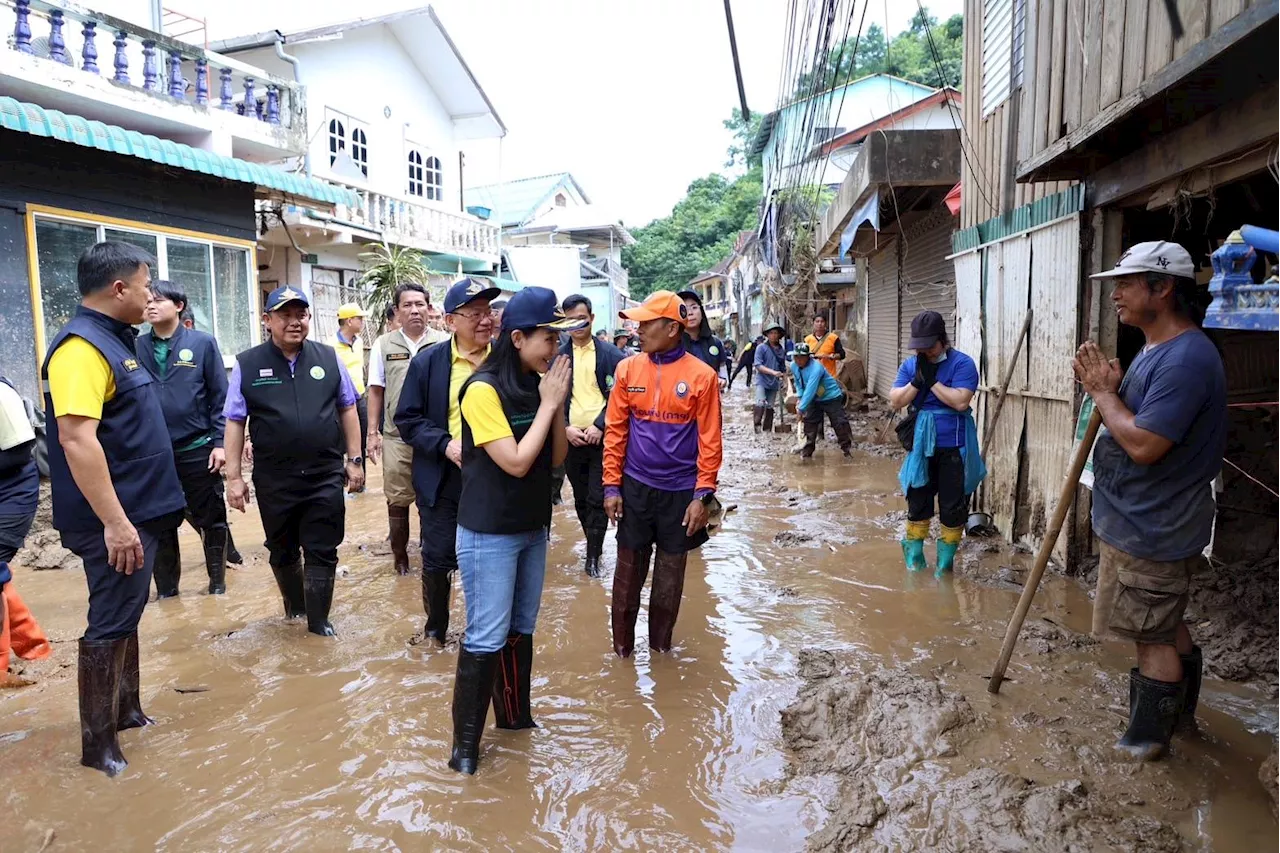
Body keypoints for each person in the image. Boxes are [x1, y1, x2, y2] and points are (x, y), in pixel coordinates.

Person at [1075, 241, 1225, 761]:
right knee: (1164, 622)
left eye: (1126, 283)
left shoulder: (1185, 358)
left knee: (1152, 638)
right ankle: (1179, 721)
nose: (1115, 294)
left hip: (1154, 526)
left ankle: (1147, 743)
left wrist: (1101, 393)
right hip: (1145, 521)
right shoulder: (1156, 348)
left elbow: (1143, 444)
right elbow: (1139, 419)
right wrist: (1116, 389)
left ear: (1162, 289)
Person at [43, 241, 187, 776]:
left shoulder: (117, 340)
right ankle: (96, 748)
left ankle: (127, 712)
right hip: (114, 520)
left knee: (128, 613)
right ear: (119, 288)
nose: (152, 294)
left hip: (139, 511)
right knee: (109, 620)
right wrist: (115, 523)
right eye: (146, 284)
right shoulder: (81, 348)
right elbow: (77, 440)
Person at [445, 286, 578, 775]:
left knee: (521, 629)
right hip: (489, 533)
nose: (557, 350)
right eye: (550, 338)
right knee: (486, 634)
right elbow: (518, 463)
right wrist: (548, 405)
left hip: (531, 526)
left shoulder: (536, 383)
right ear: (518, 338)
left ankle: (516, 721)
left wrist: (556, 404)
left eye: (561, 339)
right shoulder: (481, 390)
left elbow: (557, 458)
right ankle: (464, 749)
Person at [223, 286, 364, 637]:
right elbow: (235, 421)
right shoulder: (247, 364)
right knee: (282, 549)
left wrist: (355, 459)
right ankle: (296, 610)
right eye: (284, 315)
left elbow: (348, 407)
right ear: (267, 320)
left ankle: (319, 625)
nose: (294, 322)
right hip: (274, 478)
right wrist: (234, 477)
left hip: (324, 474)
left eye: (300, 314)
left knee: (322, 547)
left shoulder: (329, 358)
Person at [604, 291, 722, 657]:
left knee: (669, 583)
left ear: (674, 327)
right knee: (625, 583)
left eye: (646, 323)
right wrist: (611, 487)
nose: (638, 330)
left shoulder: (702, 376)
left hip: (680, 495)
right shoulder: (627, 369)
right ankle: (622, 656)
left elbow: (710, 441)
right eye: (636, 323)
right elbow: (616, 431)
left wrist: (703, 496)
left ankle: (660, 653)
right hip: (635, 489)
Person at [394, 278, 499, 645]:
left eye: (488, 312)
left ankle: (484, 633)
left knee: (489, 558)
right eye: (475, 314)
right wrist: (445, 445)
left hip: (495, 478)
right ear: (451, 321)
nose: (485, 320)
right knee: (438, 558)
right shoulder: (428, 363)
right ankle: (436, 630)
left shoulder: (505, 361)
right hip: (442, 477)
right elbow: (407, 420)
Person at [136, 282, 231, 596]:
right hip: (153, 453)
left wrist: (220, 443)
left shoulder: (202, 343)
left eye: (158, 300)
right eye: (147, 300)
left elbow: (220, 397)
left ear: (178, 306)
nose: (150, 306)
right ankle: (167, 592)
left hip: (197, 448)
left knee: (211, 518)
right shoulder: (135, 346)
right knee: (160, 522)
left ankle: (217, 585)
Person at [889, 311, 983, 575]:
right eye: (919, 347)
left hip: (954, 446)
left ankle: (944, 567)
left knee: (953, 507)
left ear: (943, 340)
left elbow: (961, 401)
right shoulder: (911, 365)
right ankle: (914, 562)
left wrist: (931, 382)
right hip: (920, 447)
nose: (925, 351)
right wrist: (917, 382)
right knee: (918, 501)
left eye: (929, 346)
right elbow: (896, 400)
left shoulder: (962, 364)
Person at [366, 283, 448, 575]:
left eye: (420, 304)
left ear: (429, 308)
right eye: (407, 305)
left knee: (434, 495)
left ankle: (433, 557)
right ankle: (400, 559)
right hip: (396, 436)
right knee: (398, 497)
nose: (414, 310)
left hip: (436, 437)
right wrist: (372, 433)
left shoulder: (444, 343)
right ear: (397, 312)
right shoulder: (384, 345)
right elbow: (376, 390)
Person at [559, 294, 626, 578]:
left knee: (598, 496)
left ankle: (593, 557)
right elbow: (547, 397)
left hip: (603, 438)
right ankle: (592, 544)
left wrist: (601, 424)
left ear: (592, 318)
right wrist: (564, 427)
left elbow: (620, 396)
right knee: (580, 496)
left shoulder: (612, 356)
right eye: (571, 319)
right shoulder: (558, 356)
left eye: (582, 319)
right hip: (571, 438)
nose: (577, 325)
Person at [0, 375, 51, 685]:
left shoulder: (1, 393)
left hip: (11, 493)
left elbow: (19, 452)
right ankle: (36, 649)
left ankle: (1, 669)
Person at [791, 343, 853, 458]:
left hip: (830, 396)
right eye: (796, 357)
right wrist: (800, 398)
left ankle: (847, 450)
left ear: (808, 357)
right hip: (813, 398)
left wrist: (801, 409)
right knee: (809, 423)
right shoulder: (793, 366)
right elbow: (799, 384)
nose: (798, 360)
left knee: (839, 423)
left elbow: (811, 388)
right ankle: (807, 451)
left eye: (802, 357)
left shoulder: (816, 368)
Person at [331, 302, 368, 488]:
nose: (362, 322)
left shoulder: (359, 342)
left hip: (359, 397)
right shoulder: (331, 346)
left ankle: (360, 484)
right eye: (359, 318)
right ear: (349, 320)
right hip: (340, 403)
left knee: (359, 441)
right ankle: (339, 483)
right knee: (338, 444)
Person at [676, 290, 729, 380]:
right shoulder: (672, 346)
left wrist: (722, 380)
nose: (690, 313)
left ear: (701, 311)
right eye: (684, 309)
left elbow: (723, 373)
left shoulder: (715, 343)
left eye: (694, 307)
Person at [753, 324, 787, 433]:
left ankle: (767, 430)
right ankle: (757, 427)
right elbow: (758, 365)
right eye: (771, 333)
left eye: (776, 333)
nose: (773, 335)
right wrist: (773, 372)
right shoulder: (761, 348)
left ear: (779, 335)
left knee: (770, 406)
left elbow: (783, 368)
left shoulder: (781, 350)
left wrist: (786, 382)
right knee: (760, 402)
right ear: (767, 335)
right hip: (762, 381)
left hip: (774, 383)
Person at [804, 314, 846, 380]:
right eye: (817, 321)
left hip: (829, 376)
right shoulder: (807, 339)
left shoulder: (833, 338)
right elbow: (803, 357)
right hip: (812, 376)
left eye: (822, 321)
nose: (820, 324)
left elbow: (842, 354)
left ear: (826, 323)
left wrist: (831, 356)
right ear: (813, 323)